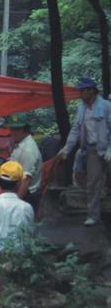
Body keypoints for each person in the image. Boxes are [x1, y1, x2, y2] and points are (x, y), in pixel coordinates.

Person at [56, 77, 111, 227]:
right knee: (93, 183)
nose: (80, 93)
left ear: (92, 91)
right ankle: (93, 215)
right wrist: (66, 149)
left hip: (107, 147)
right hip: (92, 149)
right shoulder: (81, 108)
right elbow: (75, 130)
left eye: (83, 90)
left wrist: (109, 149)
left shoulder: (106, 106)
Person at [5, 118, 43, 210]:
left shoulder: (28, 150)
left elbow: (26, 181)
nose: (13, 132)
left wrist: (16, 203)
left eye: (17, 129)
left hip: (27, 195)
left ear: (25, 130)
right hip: (18, 189)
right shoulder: (21, 144)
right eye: (12, 129)